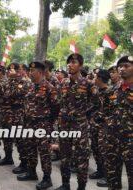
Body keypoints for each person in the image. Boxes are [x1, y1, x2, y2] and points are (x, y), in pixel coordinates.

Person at [56, 53, 98, 190]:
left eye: (73, 62)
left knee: (81, 159)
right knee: (64, 156)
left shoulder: (88, 83)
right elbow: (60, 102)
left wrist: (84, 114)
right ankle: (65, 184)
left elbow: (97, 103)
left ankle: (81, 187)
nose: (70, 65)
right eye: (69, 62)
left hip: (79, 126)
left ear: (80, 65)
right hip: (64, 125)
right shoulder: (63, 83)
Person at [17, 61, 59, 190]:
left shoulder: (49, 87)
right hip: (29, 123)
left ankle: (47, 178)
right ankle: (31, 172)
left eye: (32, 70)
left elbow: (56, 107)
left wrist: (48, 123)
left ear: (40, 72)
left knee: (44, 153)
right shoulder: (29, 86)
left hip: (43, 125)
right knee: (30, 149)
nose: (30, 72)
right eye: (30, 70)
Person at [106, 56, 133, 190]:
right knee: (113, 179)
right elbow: (105, 113)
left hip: (131, 142)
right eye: (120, 66)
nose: (122, 69)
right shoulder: (112, 90)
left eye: (126, 66)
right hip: (113, 141)